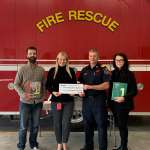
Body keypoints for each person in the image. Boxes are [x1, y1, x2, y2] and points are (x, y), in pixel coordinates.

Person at [14, 46, 45, 150]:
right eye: (30, 53)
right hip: (25, 103)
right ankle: (21, 146)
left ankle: (33, 145)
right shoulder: (22, 69)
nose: (32, 55)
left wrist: (42, 97)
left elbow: (43, 85)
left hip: (37, 103)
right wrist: (23, 94)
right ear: (27, 55)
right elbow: (16, 84)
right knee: (23, 127)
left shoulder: (41, 70)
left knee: (35, 126)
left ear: (36, 55)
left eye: (34, 53)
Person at [78, 48, 111, 150]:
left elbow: (106, 85)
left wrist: (91, 87)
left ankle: (103, 148)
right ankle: (88, 147)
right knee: (87, 126)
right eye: (90, 56)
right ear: (88, 57)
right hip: (87, 101)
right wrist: (80, 92)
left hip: (99, 101)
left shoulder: (104, 69)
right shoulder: (84, 70)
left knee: (101, 125)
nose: (92, 58)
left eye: (94, 56)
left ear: (98, 57)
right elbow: (79, 84)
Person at [46, 51, 77, 150]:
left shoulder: (71, 71)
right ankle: (59, 143)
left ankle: (64, 142)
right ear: (57, 59)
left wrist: (74, 92)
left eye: (64, 59)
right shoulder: (52, 70)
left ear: (67, 60)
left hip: (68, 101)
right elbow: (48, 85)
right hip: (56, 101)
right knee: (57, 122)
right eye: (60, 59)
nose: (62, 61)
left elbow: (75, 85)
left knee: (66, 123)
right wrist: (53, 92)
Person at [108, 53, 137, 150]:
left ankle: (124, 146)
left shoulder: (129, 74)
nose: (118, 62)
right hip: (114, 104)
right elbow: (110, 89)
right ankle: (122, 145)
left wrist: (124, 97)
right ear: (114, 61)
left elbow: (134, 91)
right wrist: (109, 103)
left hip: (124, 104)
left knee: (122, 125)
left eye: (121, 60)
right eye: (117, 60)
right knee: (119, 125)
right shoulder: (112, 73)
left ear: (125, 61)